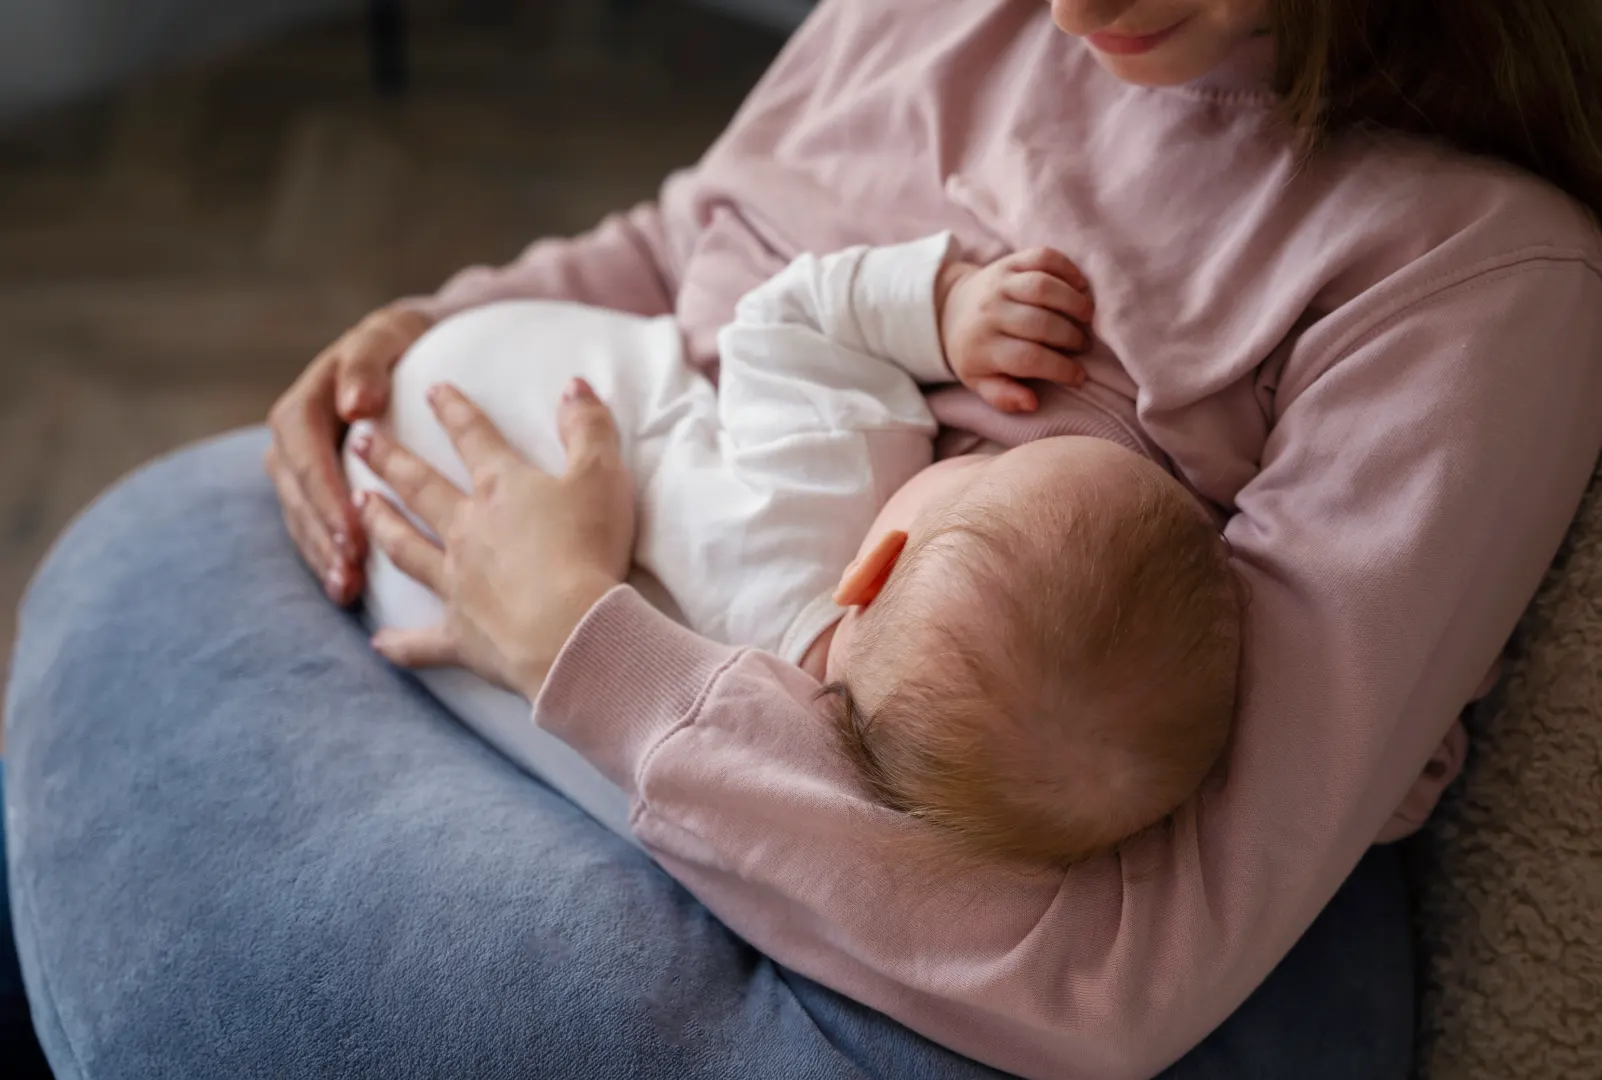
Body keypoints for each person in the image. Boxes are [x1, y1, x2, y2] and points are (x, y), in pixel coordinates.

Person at [4, 0, 1602, 1076]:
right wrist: (428, 336)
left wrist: (576, 633)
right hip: (640, 561)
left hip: (827, 793)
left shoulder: (1463, 280)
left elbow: (1138, 964)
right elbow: (685, 243)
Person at [347, 234, 1246, 864]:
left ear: (874, 564)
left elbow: (784, 318)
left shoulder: (831, 480)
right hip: (432, 604)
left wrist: (942, 311)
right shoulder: (773, 751)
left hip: (463, 401)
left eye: (986, 471)